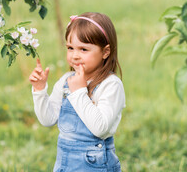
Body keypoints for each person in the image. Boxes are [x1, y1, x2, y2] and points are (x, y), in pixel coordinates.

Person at [29, 12, 125, 172]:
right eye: (70, 48)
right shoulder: (66, 80)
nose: (75, 55)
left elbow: (100, 128)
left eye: (83, 49)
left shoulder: (111, 85)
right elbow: (48, 119)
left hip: (96, 165)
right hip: (65, 165)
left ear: (105, 52)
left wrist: (80, 91)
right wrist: (39, 90)